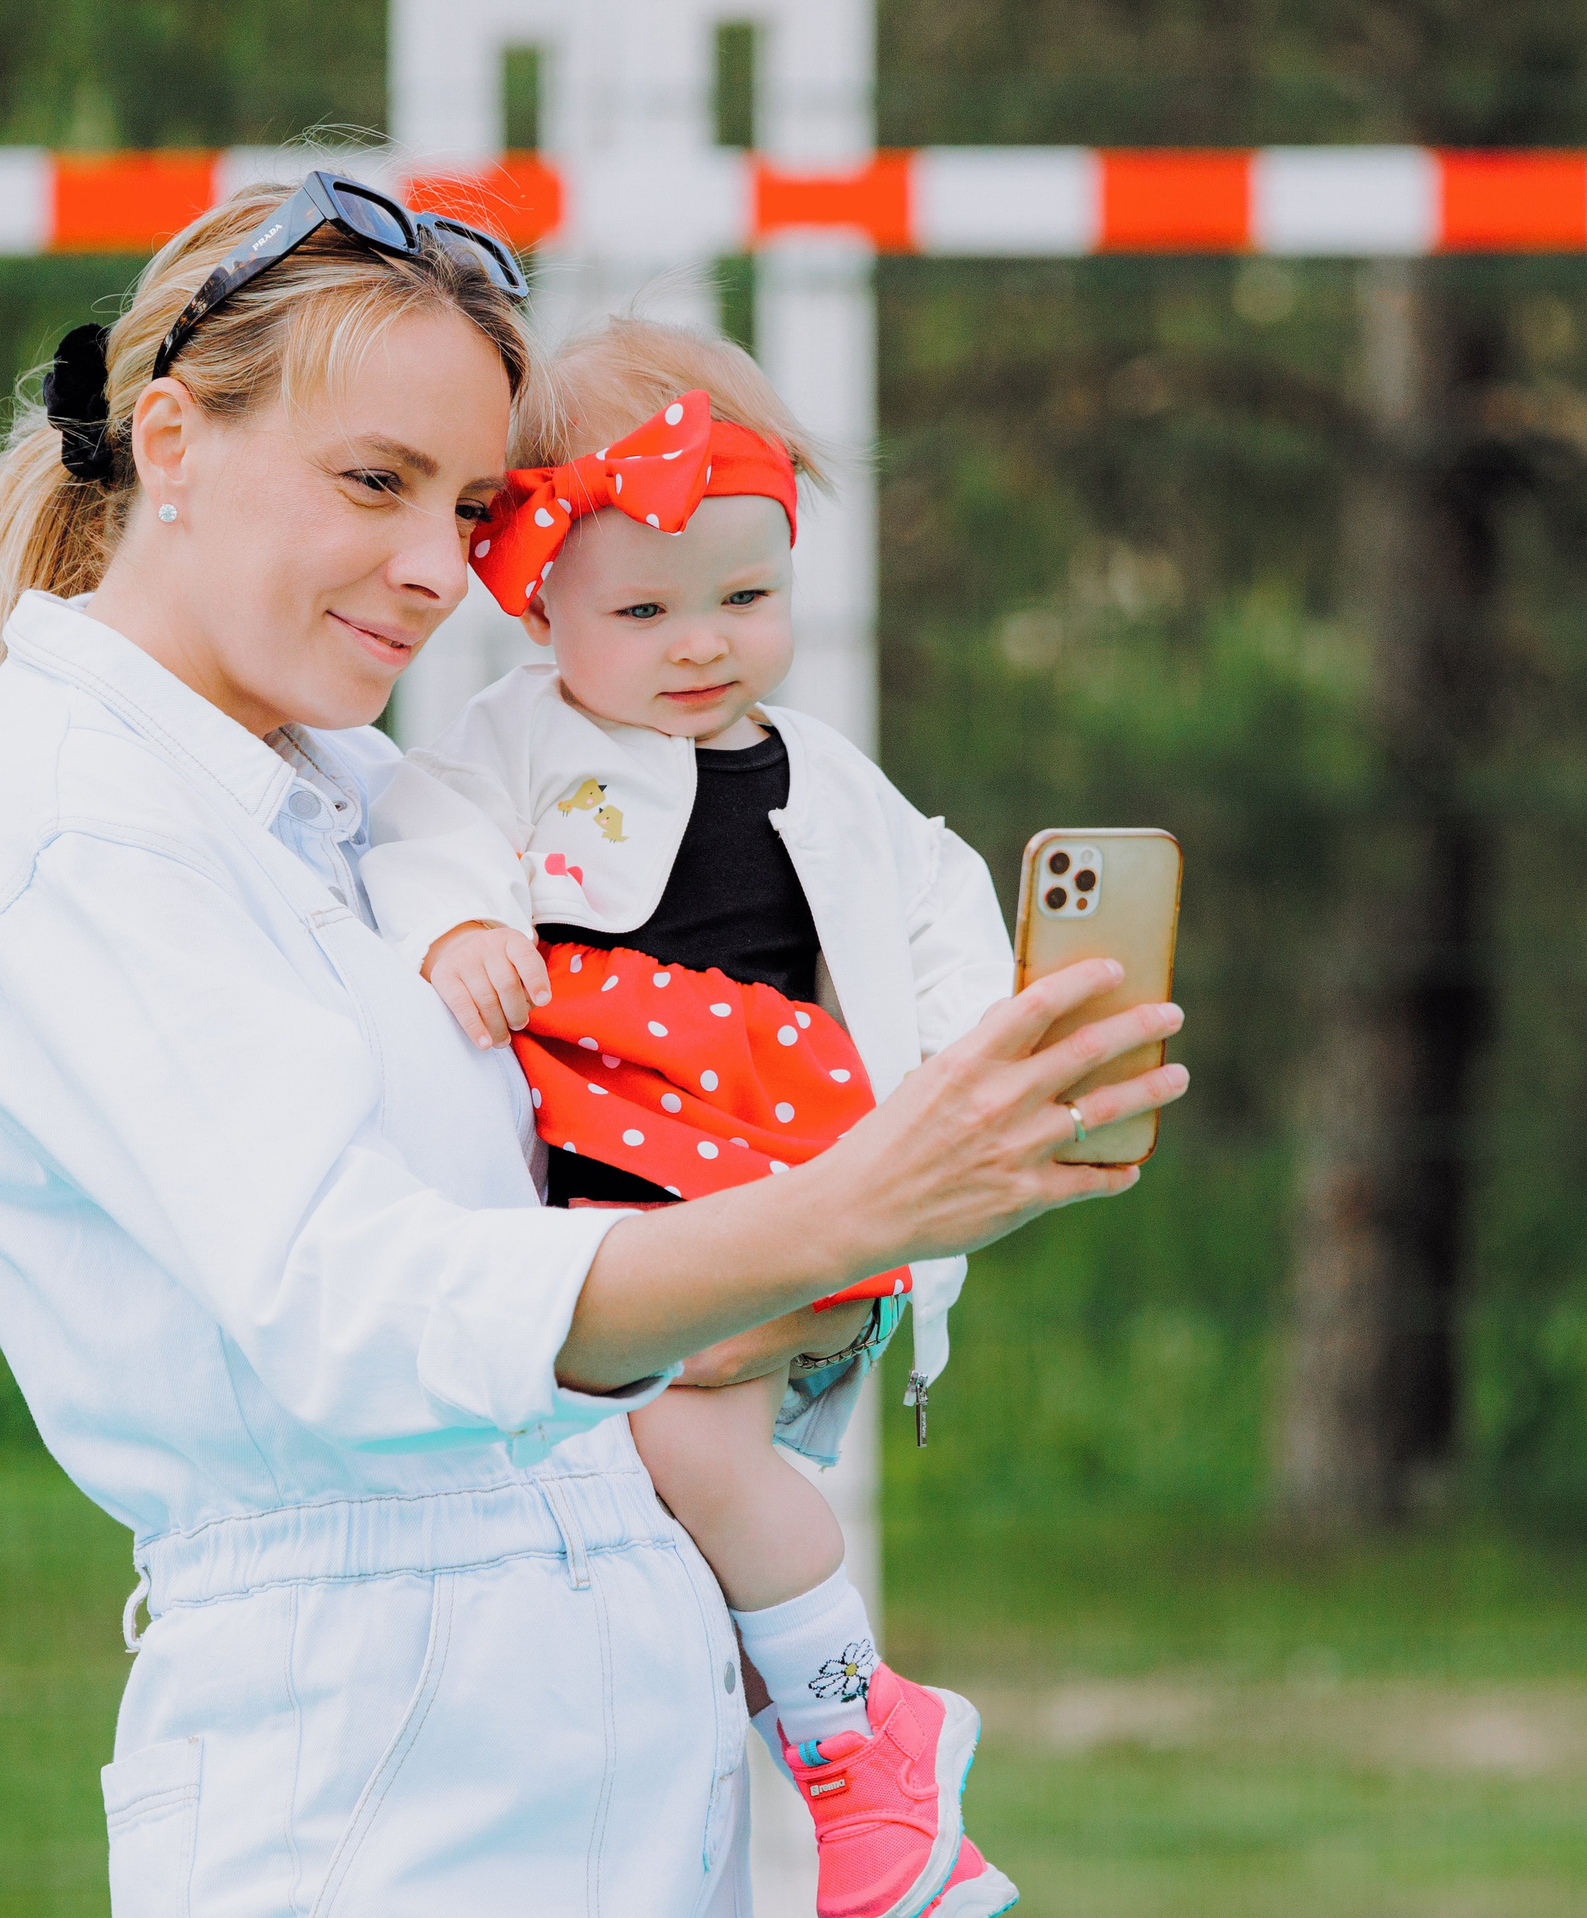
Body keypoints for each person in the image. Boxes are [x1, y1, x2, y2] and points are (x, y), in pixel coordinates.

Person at [0, 165, 1187, 1918]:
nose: (439, 570)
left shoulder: (375, 797)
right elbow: (359, 1310)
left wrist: (911, 1202)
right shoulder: (72, 824)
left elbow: (593, 1256)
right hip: (379, 1806)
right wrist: (851, 1213)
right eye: (376, 481)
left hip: (617, 1758)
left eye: (480, 506)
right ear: (170, 443)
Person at [359, 317, 1018, 1918]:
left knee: (685, 1452)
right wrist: (459, 927)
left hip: (776, 1177)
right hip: (619, 1191)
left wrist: (966, 1063)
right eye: (643, 607)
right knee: (670, 1525)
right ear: (540, 596)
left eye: (745, 596)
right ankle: (779, 1768)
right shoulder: (522, 742)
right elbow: (423, 821)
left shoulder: (823, 775)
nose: (700, 643)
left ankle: (876, 1744)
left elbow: (941, 905)